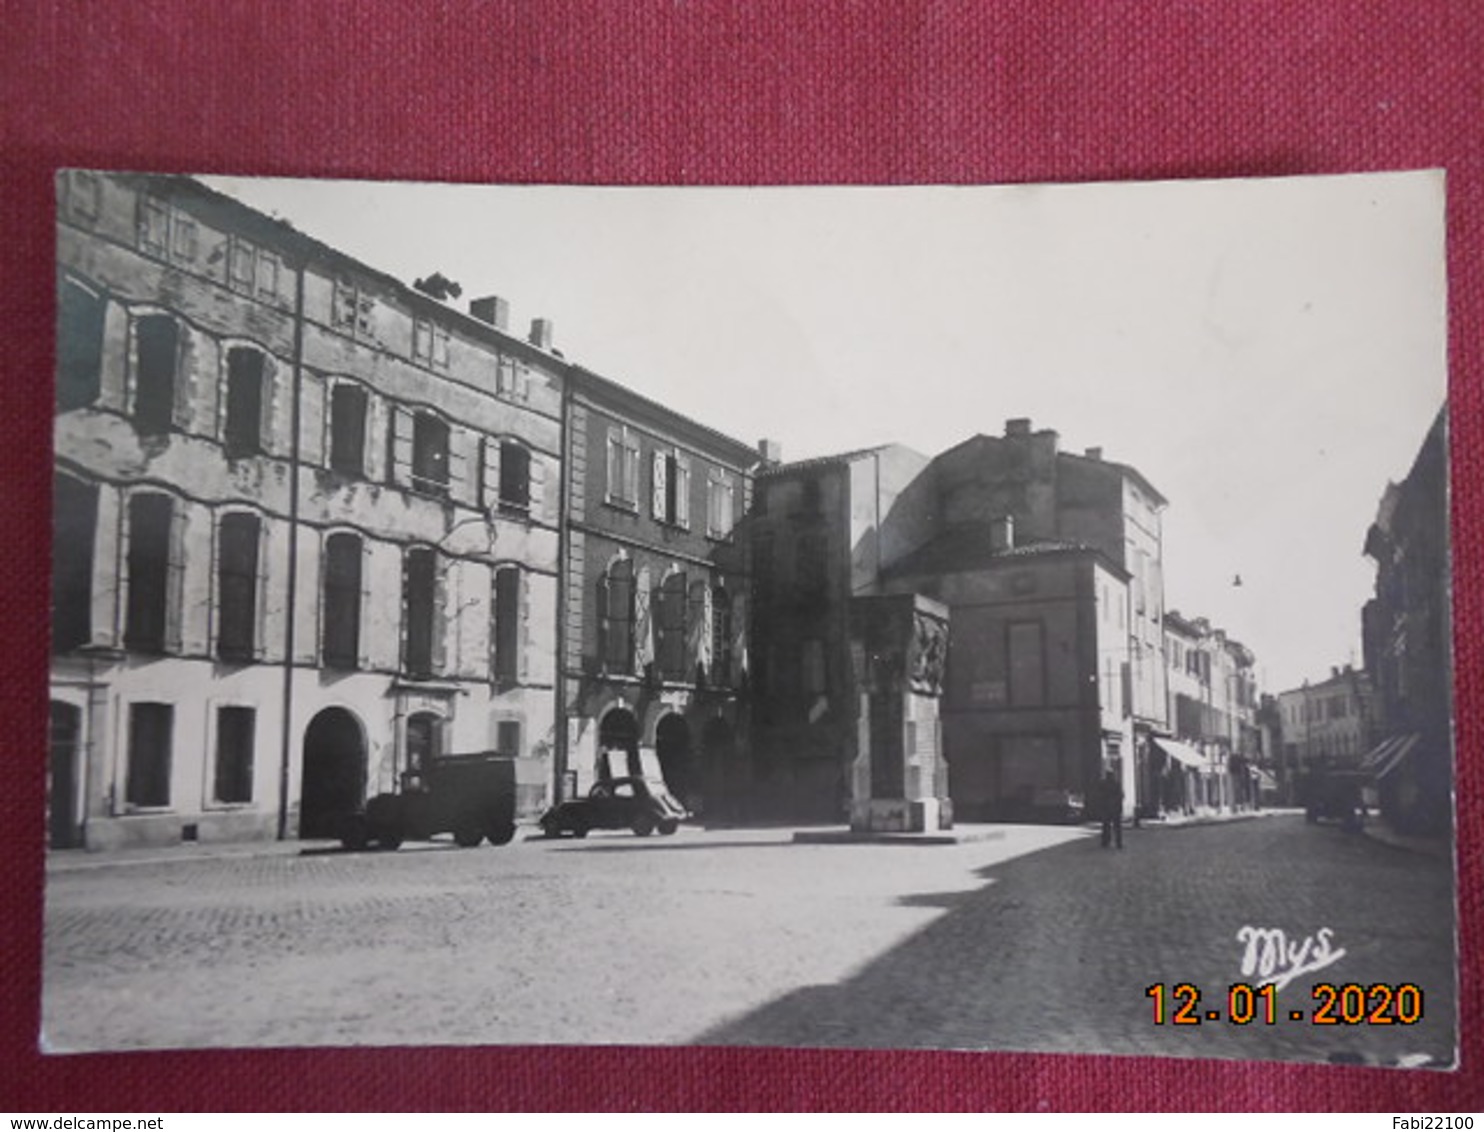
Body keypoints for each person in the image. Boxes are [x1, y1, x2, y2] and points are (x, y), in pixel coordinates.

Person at [1099, 770, 1124, 850]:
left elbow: (1099, 796)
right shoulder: (1116, 784)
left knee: (1106, 826)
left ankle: (1105, 842)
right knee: (1116, 826)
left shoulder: (1103, 784)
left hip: (1106, 808)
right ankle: (1118, 842)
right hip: (1114, 808)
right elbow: (1121, 795)